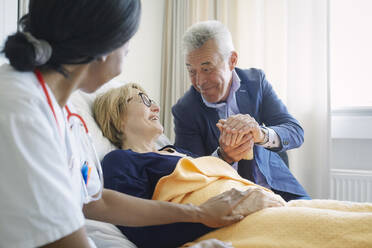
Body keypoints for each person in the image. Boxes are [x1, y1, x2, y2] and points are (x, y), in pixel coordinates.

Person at [0, 2, 253, 248]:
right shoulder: (21, 108)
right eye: (128, 40)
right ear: (103, 46)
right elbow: (61, 239)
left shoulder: (65, 114)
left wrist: (199, 213)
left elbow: (96, 203)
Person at [93, 83, 286, 248]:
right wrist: (217, 215)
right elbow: (144, 233)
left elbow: (239, 188)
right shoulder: (120, 161)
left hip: (265, 210)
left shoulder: (179, 152)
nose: (156, 107)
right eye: (143, 100)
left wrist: (245, 153)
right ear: (117, 116)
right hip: (232, 228)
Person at [172, 20, 310, 201]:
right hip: (228, 198)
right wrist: (223, 156)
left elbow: (295, 132)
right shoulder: (185, 110)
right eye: (191, 71)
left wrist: (260, 134)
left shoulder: (256, 83)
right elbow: (191, 175)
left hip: (278, 187)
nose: (199, 81)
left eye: (207, 69)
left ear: (232, 60)